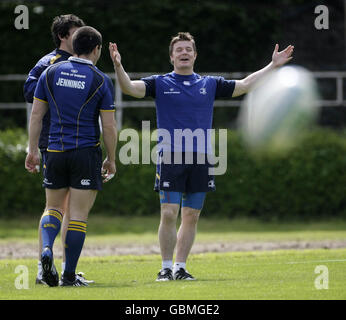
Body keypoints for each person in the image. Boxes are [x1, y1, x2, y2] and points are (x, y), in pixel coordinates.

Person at [109, 32, 293, 281]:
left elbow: (245, 85)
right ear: (171, 57)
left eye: (188, 49)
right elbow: (129, 87)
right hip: (171, 156)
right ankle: (164, 268)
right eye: (179, 50)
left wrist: (273, 65)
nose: (183, 53)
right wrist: (118, 66)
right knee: (168, 213)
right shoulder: (160, 83)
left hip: (202, 157)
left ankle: (180, 267)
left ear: (195, 55)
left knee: (191, 215)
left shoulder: (209, 84)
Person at [25, 26, 117, 286]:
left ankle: (45, 251)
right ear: (97, 49)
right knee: (77, 215)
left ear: (73, 45)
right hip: (85, 153)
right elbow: (109, 126)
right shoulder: (100, 79)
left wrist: (32, 150)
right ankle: (68, 275)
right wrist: (111, 158)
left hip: (54, 151)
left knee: (52, 208)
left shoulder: (50, 72)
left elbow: (36, 116)